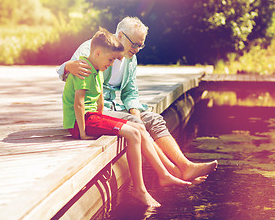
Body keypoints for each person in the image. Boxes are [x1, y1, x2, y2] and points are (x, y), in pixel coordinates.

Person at [58, 16, 218, 182]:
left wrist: (136, 114)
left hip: (114, 107)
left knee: (155, 119)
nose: (137, 49)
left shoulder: (131, 58)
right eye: (134, 44)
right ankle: (173, 172)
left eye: (141, 45)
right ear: (120, 36)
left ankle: (185, 166)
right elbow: (71, 77)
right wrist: (68, 66)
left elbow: (130, 92)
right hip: (95, 111)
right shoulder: (93, 48)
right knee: (136, 124)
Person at [62, 27, 191, 207]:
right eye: (111, 60)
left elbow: (101, 100)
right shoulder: (84, 68)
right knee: (133, 133)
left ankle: (164, 175)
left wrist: (108, 120)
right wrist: (82, 133)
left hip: (94, 116)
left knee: (138, 127)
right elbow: (79, 104)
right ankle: (140, 189)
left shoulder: (98, 68)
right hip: (82, 121)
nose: (112, 63)